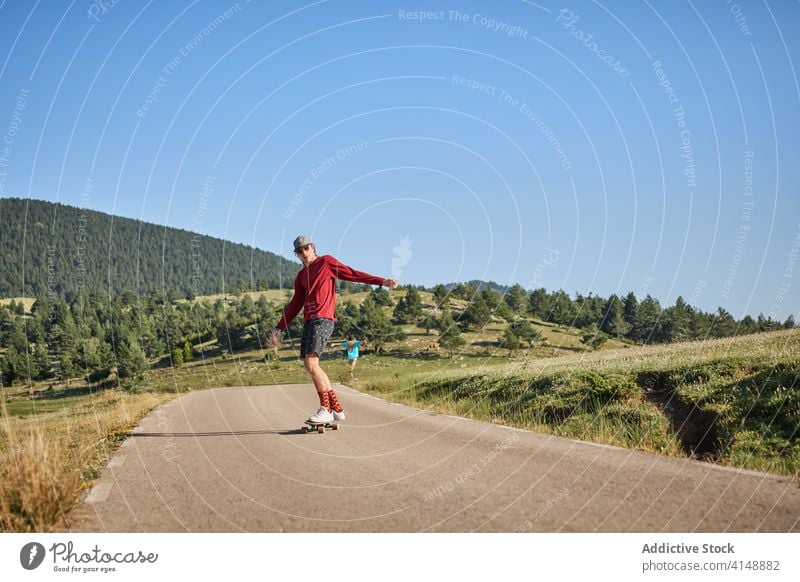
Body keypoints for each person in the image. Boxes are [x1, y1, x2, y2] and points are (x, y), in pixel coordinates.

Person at [270, 235, 398, 423]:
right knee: (311, 366)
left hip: (323, 318)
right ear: (297, 254)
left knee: (311, 364)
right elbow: (296, 303)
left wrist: (382, 281)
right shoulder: (300, 276)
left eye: (306, 248)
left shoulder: (326, 262)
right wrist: (279, 327)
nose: (303, 253)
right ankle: (336, 409)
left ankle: (326, 410)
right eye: (299, 251)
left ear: (312, 247)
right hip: (309, 320)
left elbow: (352, 273)